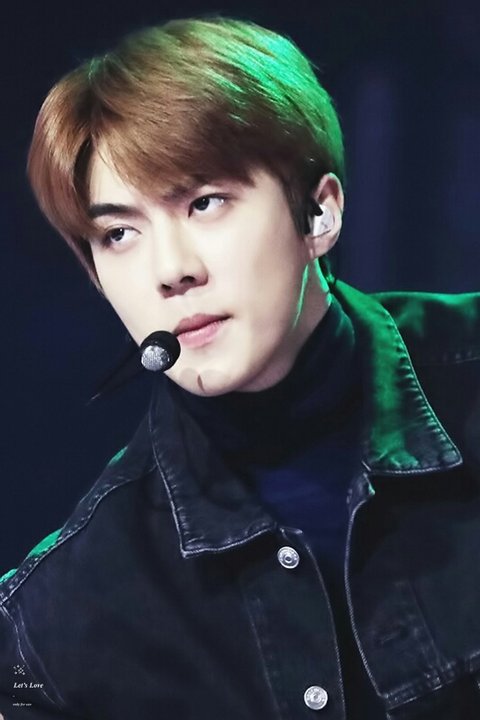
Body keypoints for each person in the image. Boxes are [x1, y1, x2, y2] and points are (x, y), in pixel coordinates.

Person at [1, 15, 480, 720]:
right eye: (120, 233)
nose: (170, 271)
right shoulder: (56, 619)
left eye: (205, 202)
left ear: (318, 213)